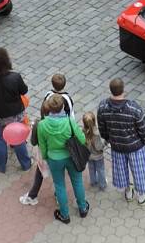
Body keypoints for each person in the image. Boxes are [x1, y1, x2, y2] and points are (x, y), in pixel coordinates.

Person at [97, 78, 145, 205]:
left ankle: (128, 193)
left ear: (111, 90)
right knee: (139, 172)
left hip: (117, 146)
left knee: (121, 172)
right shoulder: (133, 108)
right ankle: (142, 197)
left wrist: (109, 139)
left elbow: (102, 128)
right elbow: (144, 129)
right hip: (135, 147)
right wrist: (144, 141)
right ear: (123, 90)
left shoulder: (103, 107)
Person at [19, 73, 76, 206]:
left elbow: (35, 139)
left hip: (48, 145)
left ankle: (33, 195)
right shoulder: (67, 100)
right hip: (63, 144)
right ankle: (56, 195)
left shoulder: (46, 102)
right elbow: (71, 116)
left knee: (41, 168)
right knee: (59, 173)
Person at [37, 94, 89, 224]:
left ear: (49, 108)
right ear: (62, 107)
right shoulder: (69, 122)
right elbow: (82, 139)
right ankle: (83, 208)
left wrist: (46, 158)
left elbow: (42, 146)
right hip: (72, 156)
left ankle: (65, 215)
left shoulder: (42, 125)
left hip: (54, 159)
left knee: (59, 185)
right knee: (77, 181)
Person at [82, 111, 106, 191]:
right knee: (100, 170)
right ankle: (102, 184)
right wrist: (105, 143)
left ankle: (93, 182)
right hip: (98, 156)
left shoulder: (83, 131)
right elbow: (99, 147)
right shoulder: (96, 133)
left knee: (91, 169)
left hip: (89, 156)